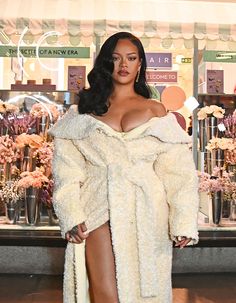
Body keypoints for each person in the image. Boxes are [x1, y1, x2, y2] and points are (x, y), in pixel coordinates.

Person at [49, 32, 199, 303]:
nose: (123, 65)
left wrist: (183, 220)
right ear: (105, 63)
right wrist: (70, 213)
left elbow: (178, 173)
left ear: (140, 63)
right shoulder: (84, 112)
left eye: (131, 58)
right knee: (105, 294)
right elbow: (66, 170)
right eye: (115, 58)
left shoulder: (156, 110)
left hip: (147, 212)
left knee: (143, 294)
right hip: (97, 207)